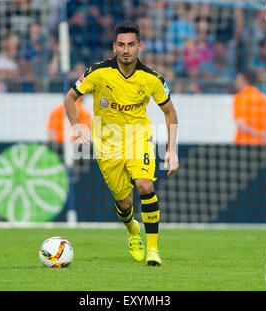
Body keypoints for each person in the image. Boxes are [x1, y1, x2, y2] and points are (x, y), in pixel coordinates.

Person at [64, 22, 179, 266]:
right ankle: (132, 232)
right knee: (124, 202)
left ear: (140, 46)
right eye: (122, 45)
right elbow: (71, 97)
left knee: (145, 186)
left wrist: (172, 149)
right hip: (107, 144)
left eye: (131, 45)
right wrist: (76, 125)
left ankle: (153, 250)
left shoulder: (152, 79)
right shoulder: (98, 72)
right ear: (114, 47)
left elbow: (170, 112)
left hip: (139, 138)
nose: (126, 50)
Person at [233, 71, 266, 145]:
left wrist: (260, 134)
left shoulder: (239, 98)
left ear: (247, 80)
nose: (236, 82)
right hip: (261, 145)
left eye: (238, 80)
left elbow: (242, 126)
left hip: (243, 144)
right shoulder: (264, 98)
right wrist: (264, 137)